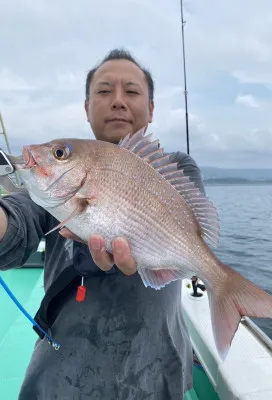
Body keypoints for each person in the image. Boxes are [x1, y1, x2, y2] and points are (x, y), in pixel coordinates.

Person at [0, 48, 206, 400]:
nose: (118, 101)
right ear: (86, 107)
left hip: (158, 371)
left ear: (152, 109)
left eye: (132, 91)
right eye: (104, 91)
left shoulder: (177, 168)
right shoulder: (52, 187)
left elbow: (190, 234)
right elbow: (15, 224)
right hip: (61, 376)